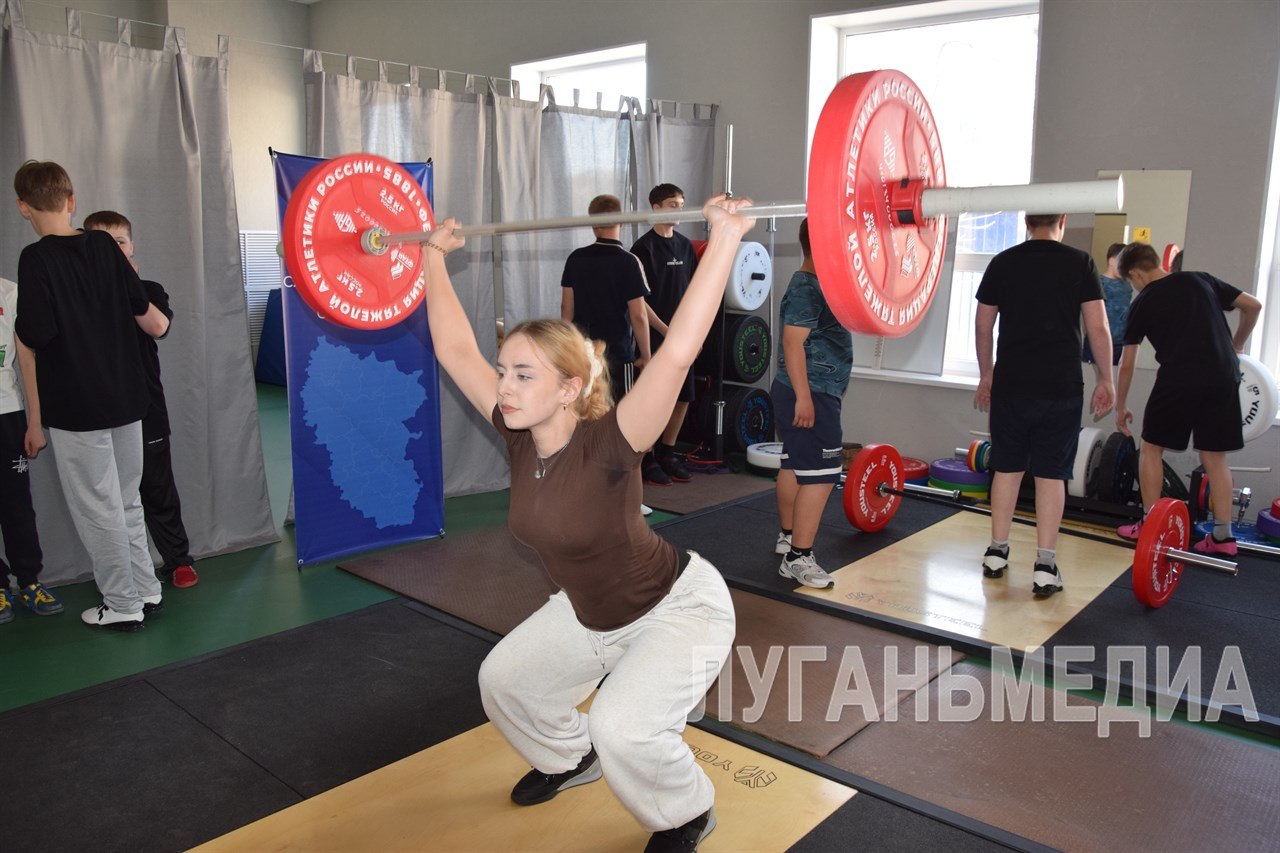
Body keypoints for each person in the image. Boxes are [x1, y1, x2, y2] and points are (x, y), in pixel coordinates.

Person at [421, 194, 752, 852]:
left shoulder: (611, 439)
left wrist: (727, 238)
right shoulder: (517, 431)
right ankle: (569, 756)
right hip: (588, 613)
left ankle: (685, 810)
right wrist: (431, 256)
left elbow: (678, 352)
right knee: (504, 682)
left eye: (523, 374)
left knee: (623, 726)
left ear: (569, 388)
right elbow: (455, 346)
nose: (504, 385)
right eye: (505, 370)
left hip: (677, 608)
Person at [13, 161, 170, 630]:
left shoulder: (36, 259)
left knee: (97, 508)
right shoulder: (104, 244)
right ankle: (146, 589)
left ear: (24, 207)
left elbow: (36, 333)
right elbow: (141, 307)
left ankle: (122, 603)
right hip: (126, 397)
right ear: (72, 200)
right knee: (125, 501)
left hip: (77, 407)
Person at [973, 213, 1114, 597]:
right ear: (1062, 220)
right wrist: (1107, 378)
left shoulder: (1003, 262)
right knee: (1052, 475)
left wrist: (987, 374)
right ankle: (1045, 567)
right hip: (1059, 387)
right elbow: (1098, 327)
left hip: (1011, 385)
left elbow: (983, 325)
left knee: (1007, 468)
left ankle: (996, 554)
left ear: (1026, 222)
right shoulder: (1079, 262)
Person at [1113, 242, 1262, 554]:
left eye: (1131, 282)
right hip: (1223, 374)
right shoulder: (1201, 279)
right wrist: (1236, 344)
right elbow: (1253, 306)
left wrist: (1121, 405)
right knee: (1214, 456)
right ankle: (1223, 538)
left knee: (1152, 448)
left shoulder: (1143, 302)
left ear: (1136, 275)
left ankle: (1149, 527)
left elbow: (1127, 362)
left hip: (1179, 377)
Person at [85, 210, 198, 589]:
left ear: (131, 246)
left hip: (146, 409)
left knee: (157, 489)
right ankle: (122, 572)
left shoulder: (148, 289)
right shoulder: (80, 294)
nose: (112, 250)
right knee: (107, 499)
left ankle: (178, 560)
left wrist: (122, 280)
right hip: (98, 413)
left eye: (118, 242)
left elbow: (158, 326)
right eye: (101, 244)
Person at [771, 218, 852, 589]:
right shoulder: (807, 287)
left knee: (793, 466)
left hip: (804, 389)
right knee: (822, 477)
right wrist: (804, 397)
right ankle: (799, 557)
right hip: (811, 392)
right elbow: (792, 343)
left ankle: (789, 537)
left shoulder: (818, 284)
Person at [0, 274, 62, 623]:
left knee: (17, 505)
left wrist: (35, 422)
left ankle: (29, 581)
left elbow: (27, 360)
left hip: (7, 415)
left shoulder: (10, 293)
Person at [631, 183, 700, 485]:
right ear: (656, 208)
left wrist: (693, 333)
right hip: (655, 335)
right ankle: (646, 457)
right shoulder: (642, 249)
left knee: (683, 396)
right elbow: (638, 302)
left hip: (683, 337)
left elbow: (697, 293)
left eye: (682, 204)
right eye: (673, 204)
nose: (679, 209)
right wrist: (665, 330)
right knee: (652, 398)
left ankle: (668, 453)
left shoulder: (686, 246)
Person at [560, 194, 652, 406]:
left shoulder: (576, 258)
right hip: (618, 356)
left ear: (592, 225)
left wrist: (565, 350)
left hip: (583, 353)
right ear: (621, 222)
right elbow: (639, 315)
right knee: (622, 415)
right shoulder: (629, 262)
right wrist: (646, 356)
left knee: (586, 411)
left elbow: (566, 309)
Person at [1082, 242, 1129, 366]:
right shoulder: (1099, 282)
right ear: (1112, 261)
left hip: (1119, 343)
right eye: (1123, 261)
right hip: (1098, 341)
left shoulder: (1127, 285)